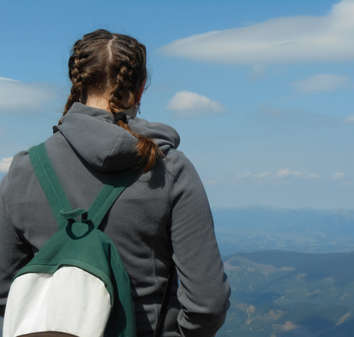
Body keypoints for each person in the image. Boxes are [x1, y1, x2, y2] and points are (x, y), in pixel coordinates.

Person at [0, 29, 230, 337]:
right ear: (140, 89)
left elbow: (4, 291)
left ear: (76, 84)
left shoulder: (24, 169)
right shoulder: (169, 169)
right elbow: (207, 304)